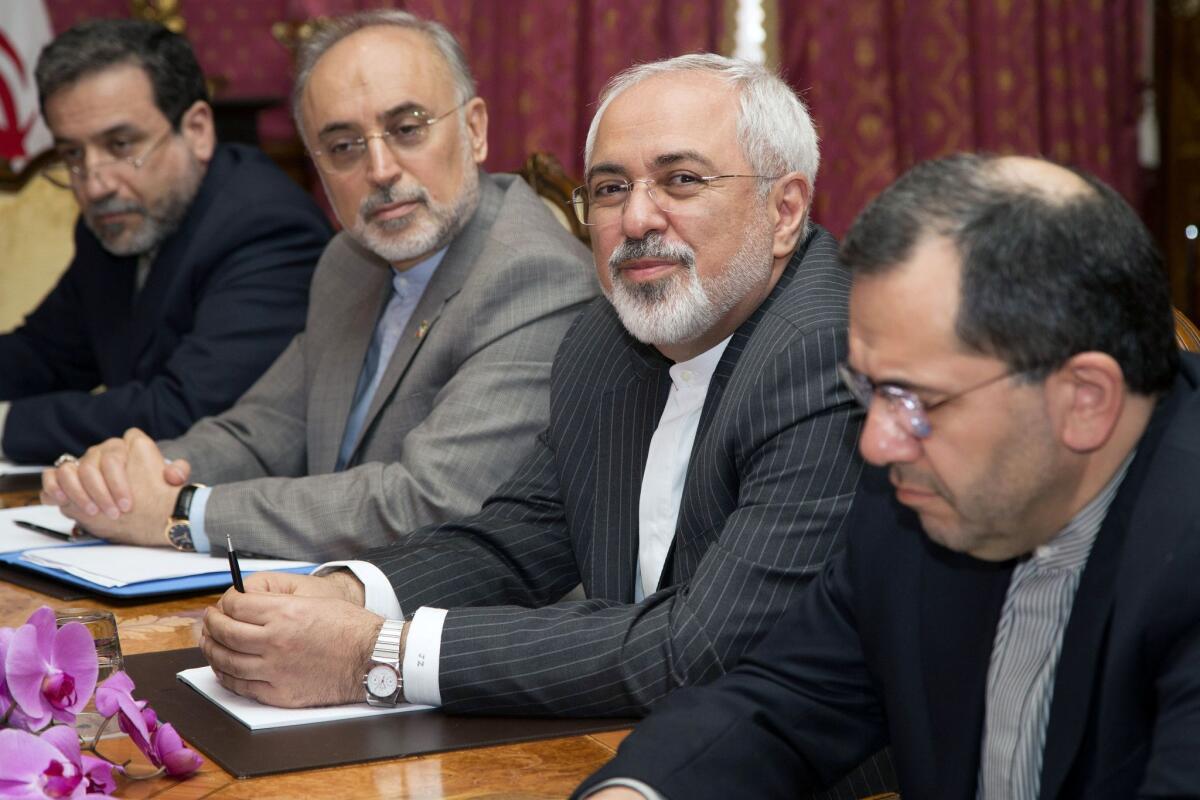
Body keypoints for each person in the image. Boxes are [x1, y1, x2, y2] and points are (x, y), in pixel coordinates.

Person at [197, 52, 895, 798]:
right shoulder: (611, 335)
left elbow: (701, 650)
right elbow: (520, 536)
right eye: (610, 187)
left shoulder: (831, 353)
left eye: (682, 181)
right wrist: (348, 592)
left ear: (785, 210)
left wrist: (381, 654)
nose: (636, 219)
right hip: (603, 746)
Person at [575, 154, 1200, 800]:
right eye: (867, 388)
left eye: (914, 398)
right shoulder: (916, 500)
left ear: (1085, 399)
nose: (875, 442)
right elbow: (784, 700)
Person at [40, 10, 597, 561]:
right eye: (344, 146)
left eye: (407, 129)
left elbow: (427, 503)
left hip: (465, 631)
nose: (380, 169)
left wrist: (182, 512)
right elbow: (263, 431)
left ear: (474, 129)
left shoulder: (535, 279)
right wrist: (121, 480)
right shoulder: (350, 260)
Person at [0, 19, 330, 464]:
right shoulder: (114, 221)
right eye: (73, 155)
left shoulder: (269, 228)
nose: (95, 185)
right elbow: (44, 354)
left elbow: (185, 411)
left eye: (120, 145)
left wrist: (6, 425)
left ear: (196, 130)